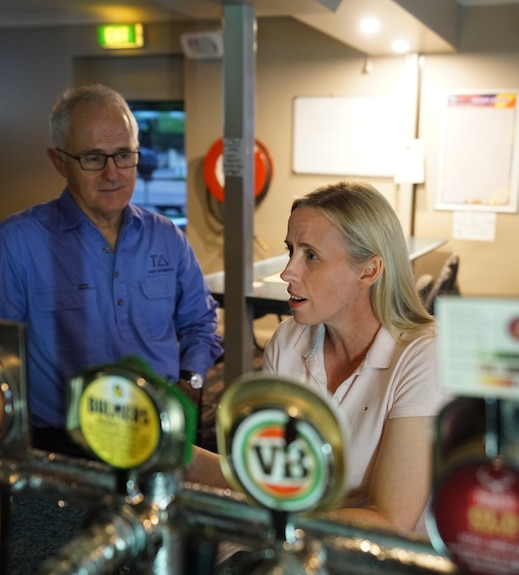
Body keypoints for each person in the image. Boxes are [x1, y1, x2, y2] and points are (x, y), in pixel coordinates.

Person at [0, 84, 224, 456]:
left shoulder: (167, 238)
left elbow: (199, 322)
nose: (113, 173)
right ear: (58, 161)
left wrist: (191, 379)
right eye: (93, 158)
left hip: (158, 434)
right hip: (64, 449)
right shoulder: (13, 245)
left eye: (124, 155)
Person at [187, 180, 450, 538]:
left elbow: (391, 521)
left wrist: (269, 521)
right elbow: (274, 478)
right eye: (290, 250)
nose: (287, 272)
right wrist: (183, 457)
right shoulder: (287, 339)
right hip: (296, 544)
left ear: (369, 271)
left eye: (310, 255)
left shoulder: (425, 356)